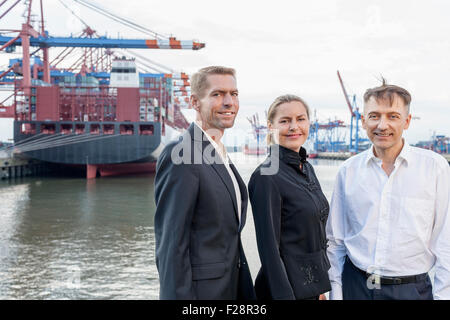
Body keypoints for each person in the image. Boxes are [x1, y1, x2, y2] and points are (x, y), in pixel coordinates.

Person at [326, 80, 450, 300]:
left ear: (407, 121)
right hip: (356, 287)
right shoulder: (348, 171)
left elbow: (446, 242)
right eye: (374, 116)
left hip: (412, 291)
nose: (382, 125)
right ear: (363, 121)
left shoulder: (435, 168)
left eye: (393, 116)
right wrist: (336, 293)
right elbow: (336, 241)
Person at [154, 66, 256, 300]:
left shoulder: (218, 152)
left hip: (231, 288)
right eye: (217, 94)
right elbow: (171, 246)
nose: (229, 102)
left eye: (234, 94)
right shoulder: (181, 153)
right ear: (195, 102)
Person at [248, 94, 331, 300]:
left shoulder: (307, 168)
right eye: (285, 121)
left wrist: (319, 289)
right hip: (284, 293)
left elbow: (314, 235)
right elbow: (269, 252)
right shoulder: (266, 176)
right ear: (271, 126)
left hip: (310, 288)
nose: (294, 126)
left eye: (300, 119)